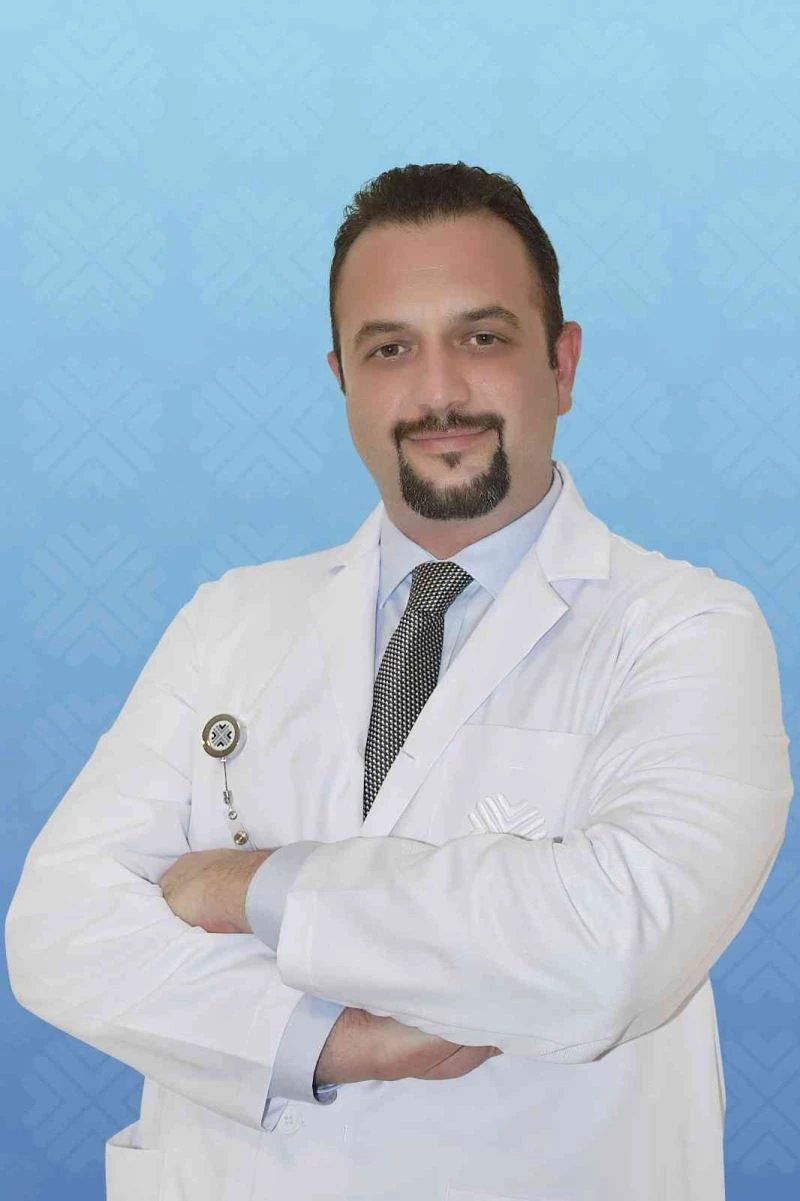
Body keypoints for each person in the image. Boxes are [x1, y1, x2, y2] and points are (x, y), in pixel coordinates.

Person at [5, 161, 793, 1201]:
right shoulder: (230, 619)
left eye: (482, 337)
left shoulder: (687, 629)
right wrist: (327, 1040)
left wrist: (247, 886)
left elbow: (614, 951)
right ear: (342, 378)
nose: (438, 393)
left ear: (561, 363)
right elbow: (57, 930)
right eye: (390, 349)